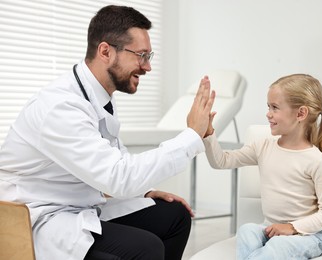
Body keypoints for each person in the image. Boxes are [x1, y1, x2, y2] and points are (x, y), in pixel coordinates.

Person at [0, 5, 215, 260]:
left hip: (79, 205)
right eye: (141, 55)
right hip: (39, 218)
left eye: (149, 56)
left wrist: (142, 192)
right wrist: (191, 135)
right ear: (105, 51)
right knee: (146, 248)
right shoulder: (60, 107)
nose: (147, 67)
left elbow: (113, 160)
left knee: (174, 216)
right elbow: (117, 176)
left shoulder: (97, 98)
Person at [203, 74, 322, 259]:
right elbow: (222, 161)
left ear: (300, 113)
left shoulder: (316, 160)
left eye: (275, 107)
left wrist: (291, 228)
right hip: (272, 230)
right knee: (247, 230)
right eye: (268, 106)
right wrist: (208, 133)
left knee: (278, 246)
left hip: (310, 235)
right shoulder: (263, 146)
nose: (268, 113)